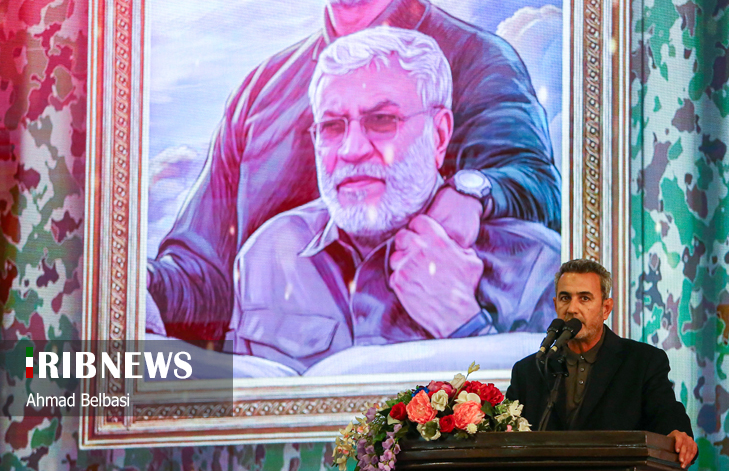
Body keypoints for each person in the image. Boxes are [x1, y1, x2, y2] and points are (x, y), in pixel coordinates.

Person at [146, 0, 561, 341]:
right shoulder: (260, 94)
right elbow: (201, 273)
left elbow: (539, 189)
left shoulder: (480, 62)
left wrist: (473, 193)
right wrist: (134, 290)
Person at [226, 27, 559, 374]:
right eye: (332, 127)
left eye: (382, 121)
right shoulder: (267, 254)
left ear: (439, 135)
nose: (352, 150)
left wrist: (466, 327)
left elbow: (564, 403)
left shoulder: (537, 267)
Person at [506, 259, 698, 469]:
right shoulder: (529, 370)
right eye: (565, 298)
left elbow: (666, 413)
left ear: (606, 308)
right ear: (555, 305)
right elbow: (504, 436)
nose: (572, 309)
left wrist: (677, 433)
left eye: (584, 298)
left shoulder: (642, 362)